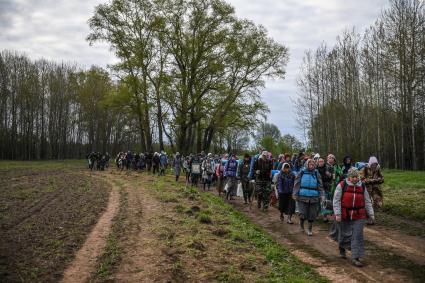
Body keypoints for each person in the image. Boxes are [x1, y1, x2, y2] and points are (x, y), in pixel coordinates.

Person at [331, 167, 375, 267]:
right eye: (353, 177)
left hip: (359, 215)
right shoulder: (342, 185)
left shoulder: (362, 186)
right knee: (344, 234)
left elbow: (367, 201)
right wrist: (337, 214)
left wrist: (371, 214)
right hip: (344, 214)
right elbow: (336, 200)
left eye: (357, 177)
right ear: (349, 177)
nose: (355, 179)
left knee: (357, 236)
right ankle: (342, 249)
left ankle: (356, 258)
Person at [293, 159, 324, 236]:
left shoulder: (317, 173)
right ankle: (301, 224)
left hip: (314, 196)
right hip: (302, 196)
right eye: (310, 164)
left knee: (312, 214)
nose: (312, 165)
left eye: (313, 164)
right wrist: (295, 194)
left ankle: (310, 229)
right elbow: (297, 183)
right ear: (307, 164)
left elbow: (320, 185)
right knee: (303, 213)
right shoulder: (302, 172)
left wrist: (322, 195)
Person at [317, 157, 333, 222]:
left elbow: (331, 178)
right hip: (317, 187)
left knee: (324, 201)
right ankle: (316, 214)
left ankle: (325, 216)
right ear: (317, 162)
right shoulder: (315, 169)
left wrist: (330, 175)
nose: (321, 162)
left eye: (322, 161)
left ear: (324, 162)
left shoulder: (327, 168)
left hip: (325, 187)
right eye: (319, 161)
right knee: (317, 201)